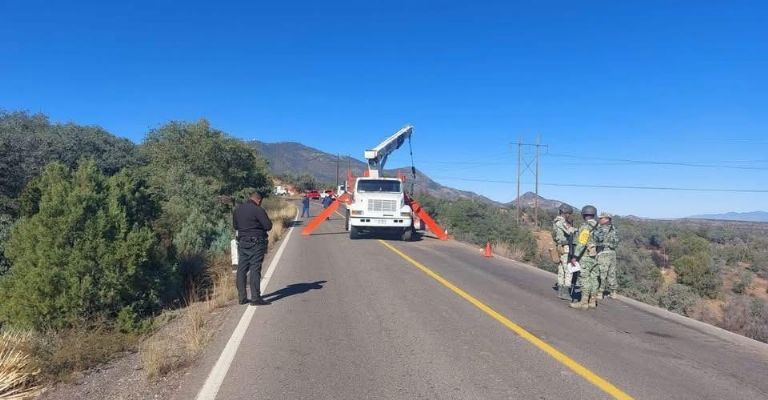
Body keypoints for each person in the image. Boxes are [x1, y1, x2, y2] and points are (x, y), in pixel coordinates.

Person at [233, 192, 272, 306]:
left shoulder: (238, 209)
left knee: (242, 269)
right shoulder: (258, 210)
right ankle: (255, 298)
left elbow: (235, 226)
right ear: (259, 200)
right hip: (256, 243)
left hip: (242, 242)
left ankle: (242, 297)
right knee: (255, 269)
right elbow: (268, 226)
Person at [570, 205, 600, 310]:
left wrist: (575, 256)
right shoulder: (599, 226)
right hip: (596, 257)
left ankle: (583, 303)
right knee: (594, 279)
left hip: (585, 257)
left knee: (584, 279)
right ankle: (592, 301)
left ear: (583, 214)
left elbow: (582, 243)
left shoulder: (586, 227)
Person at [552, 204, 575, 300]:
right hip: (565, 247)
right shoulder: (562, 222)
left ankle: (561, 291)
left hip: (559, 247)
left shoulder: (555, 221)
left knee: (561, 269)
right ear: (565, 213)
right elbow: (571, 231)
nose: (569, 215)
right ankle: (565, 292)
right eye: (568, 213)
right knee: (568, 270)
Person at [595, 212, 620, 299]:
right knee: (611, 273)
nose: (599, 219)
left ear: (606, 219)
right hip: (612, 253)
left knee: (602, 273)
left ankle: (600, 292)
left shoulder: (600, 229)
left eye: (601, 218)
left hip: (603, 252)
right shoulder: (614, 229)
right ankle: (613, 292)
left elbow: (597, 240)